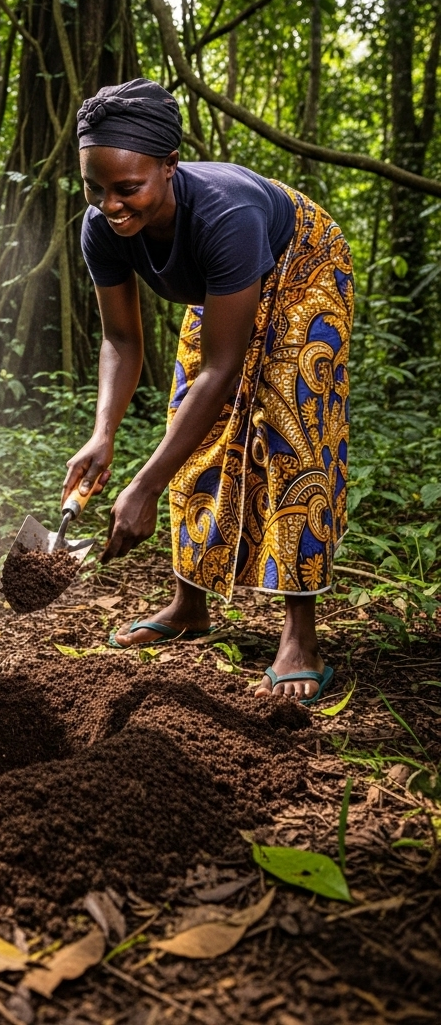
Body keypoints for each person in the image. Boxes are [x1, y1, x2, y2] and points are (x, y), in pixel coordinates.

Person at [64, 79, 353, 704]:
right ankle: (188, 605)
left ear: (169, 167)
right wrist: (102, 436)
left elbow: (223, 371)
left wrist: (142, 486)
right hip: (226, 289)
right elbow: (121, 340)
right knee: (187, 426)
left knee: (290, 423)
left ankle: (300, 635)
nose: (110, 205)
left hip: (302, 265)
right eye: (95, 188)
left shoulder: (225, 213)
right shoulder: (100, 228)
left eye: (127, 188)